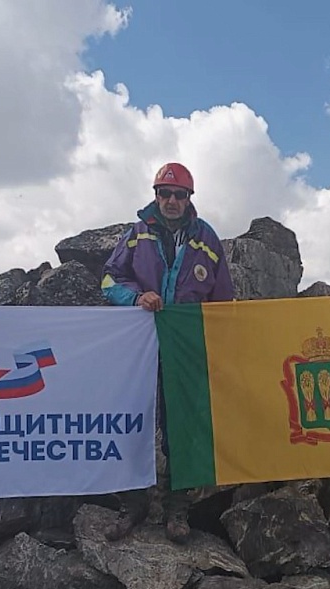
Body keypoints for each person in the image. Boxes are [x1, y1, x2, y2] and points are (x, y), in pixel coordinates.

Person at [101, 161, 234, 542]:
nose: (171, 200)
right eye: (165, 193)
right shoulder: (137, 233)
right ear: (155, 195)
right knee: (134, 427)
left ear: (190, 198)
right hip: (140, 347)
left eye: (179, 194)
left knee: (182, 428)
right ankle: (133, 505)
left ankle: (178, 510)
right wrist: (136, 297)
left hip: (186, 350)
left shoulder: (206, 238)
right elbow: (109, 279)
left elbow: (222, 298)